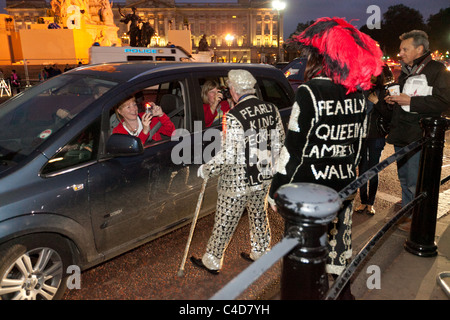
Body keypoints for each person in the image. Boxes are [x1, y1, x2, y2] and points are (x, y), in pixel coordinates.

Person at [267, 17, 384, 299]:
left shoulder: (309, 91)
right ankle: (343, 295)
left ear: (317, 59)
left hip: (308, 189)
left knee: (304, 253)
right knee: (337, 246)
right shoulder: (357, 93)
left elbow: (293, 150)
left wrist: (275, 191)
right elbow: (358, 147)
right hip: (343, 185)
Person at [190, 69, 285, 274]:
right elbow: (279, 143)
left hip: (238, 180)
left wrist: (208, 169)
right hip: (264, 174)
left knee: (225, 219)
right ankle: (260, 251)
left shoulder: (233, 115)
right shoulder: (271, 109)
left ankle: (212, 260)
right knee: (258, 213)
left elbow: (229, 154)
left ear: (233, 90)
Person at [384, 30, 450, 231]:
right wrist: (393, 101)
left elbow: (444, 102)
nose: (400, 53)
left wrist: (411, 101)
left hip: (420, 137)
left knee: (415, 180)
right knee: (404, 178)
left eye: (405, 49)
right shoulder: (407, 70)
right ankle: (407, 211)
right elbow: (404, 100)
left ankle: (415, 220)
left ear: (419, 49)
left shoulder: (437, 70)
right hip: (402, 133)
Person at [355, 67, 392, 216]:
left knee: (374, 169)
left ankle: (371, 203)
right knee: (362, 169)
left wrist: (377, 102)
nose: (370, 77)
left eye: (374, 75)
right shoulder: (360, 90)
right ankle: (363, 201)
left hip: (376, 135)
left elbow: (389, 115)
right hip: (361, 135)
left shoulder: (383, 92)